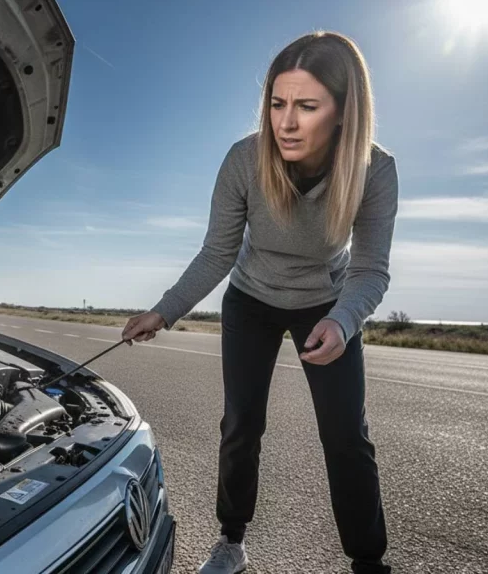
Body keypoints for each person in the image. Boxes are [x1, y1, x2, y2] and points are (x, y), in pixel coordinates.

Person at [121, 31, 398, 574]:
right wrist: (164, 310)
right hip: (251, 298)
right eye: (277, 103)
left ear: (343, 113)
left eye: (307, 106)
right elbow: (216, 252)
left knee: (345, 434)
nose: (286, 122)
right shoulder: (244, 160)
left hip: (328, 304)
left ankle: (368, 562)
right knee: (242, 422)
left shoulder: (375, 169)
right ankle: (230, 541)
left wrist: (342, 323)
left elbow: (369, 270)